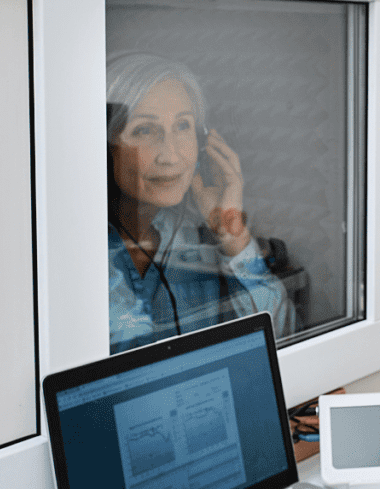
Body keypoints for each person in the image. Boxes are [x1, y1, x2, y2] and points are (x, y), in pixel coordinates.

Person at [106, 53, 296, 354]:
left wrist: (231, 232)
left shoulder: (192, 234)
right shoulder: (81, 255)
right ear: (105, 146)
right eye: (144, 130)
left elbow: (280, 337)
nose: (170, 156)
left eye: (183, 127)